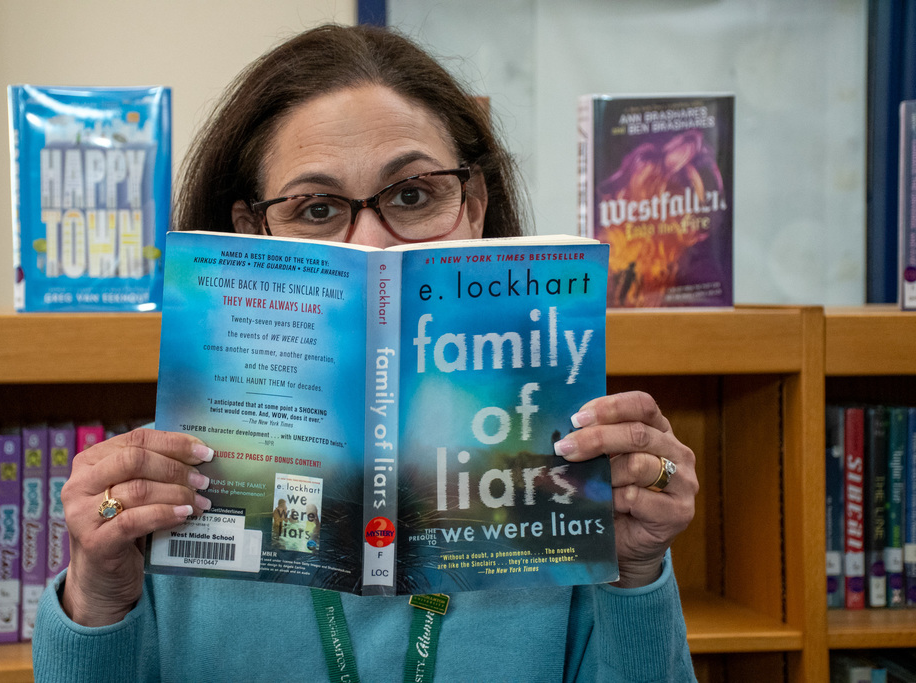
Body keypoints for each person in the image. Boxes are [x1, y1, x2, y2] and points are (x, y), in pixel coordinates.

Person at [34, 23, 699, 682]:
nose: (373, 244)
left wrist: (636, 571)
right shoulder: (185, 500)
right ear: (251, 232)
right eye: (317, 207)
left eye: (413, 195)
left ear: (472, 204)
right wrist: (96, 595)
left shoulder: (566, 474)